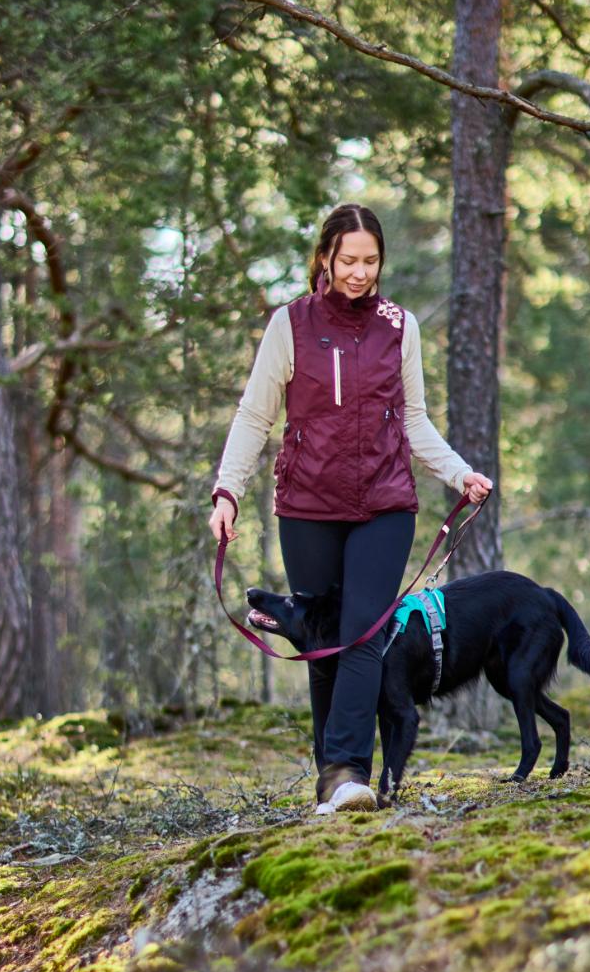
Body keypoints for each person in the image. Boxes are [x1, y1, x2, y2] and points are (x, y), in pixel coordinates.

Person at [209, 204, 493, 815]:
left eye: (370, 261)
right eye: (348, 261)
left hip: (385, 505)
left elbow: (413, 419)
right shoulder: (291, 325)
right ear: (325, 259)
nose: (360, 272)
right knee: (323, 645)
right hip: (307, 505)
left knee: (364, 634)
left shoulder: (399, 325)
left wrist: (457, 472)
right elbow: (254, 417)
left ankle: (347, 775)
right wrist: (227, 490)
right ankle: (331, 778)